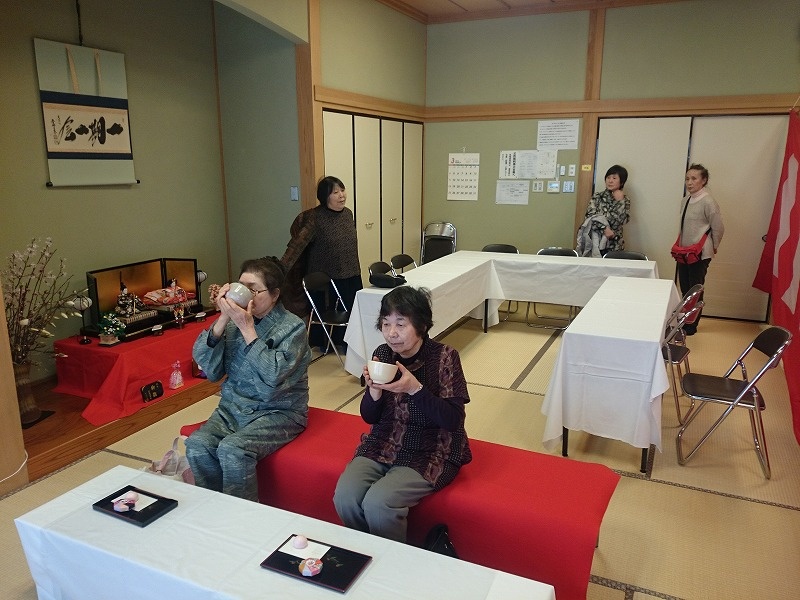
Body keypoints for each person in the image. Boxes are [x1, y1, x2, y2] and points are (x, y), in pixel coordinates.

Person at [333, 286, 472, 543]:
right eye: (386, 324)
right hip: (384, 441)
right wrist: (373, 390)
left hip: (431, 448)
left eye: (401, 324)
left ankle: (392, 560)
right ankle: (366, 551)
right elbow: (370, 418)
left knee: (378, 503)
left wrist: (415, 389)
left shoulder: (445, 357)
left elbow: (452, 420)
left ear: (421, 326)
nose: (391, 333)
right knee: (345, 497)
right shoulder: (382, 354)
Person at [185, 257, 312, 502]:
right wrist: (223, 318)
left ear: (274, 295)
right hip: (233, 407)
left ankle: (241, 518)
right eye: (240, 286)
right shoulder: (234, 321)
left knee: (233, 449)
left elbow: (273, 376)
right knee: (198, 444)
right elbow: (209, 368)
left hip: (278, 411)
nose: (245, 294)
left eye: (253, 289)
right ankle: (211, 509)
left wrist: (247, 328)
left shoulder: (293, 328)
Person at [280, 176, 362, 349]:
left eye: (342, 190)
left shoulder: (348, 214)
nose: (341, 195)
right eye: (335, 192)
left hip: (351, 272)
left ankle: (348, 342)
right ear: (325, 196)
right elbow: (296, 246)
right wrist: (278, 269)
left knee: (352, 310)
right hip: (327, 278)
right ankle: (327, 344)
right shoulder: (314, 218)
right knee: (331, 312)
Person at [675, 163, 724, 335]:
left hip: (700, 252)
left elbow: (718, 227)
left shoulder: (708, 201)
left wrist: (714, 245)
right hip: (684, 252)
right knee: (685, 287)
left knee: (695, 289)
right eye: (687, 179)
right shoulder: (686, 200)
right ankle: (684, 319)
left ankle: (691, 325)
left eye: (694, 179)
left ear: (704, 180)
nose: (689, 182)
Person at [578, 165, 631, 256]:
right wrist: (604, 229)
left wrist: (619, 202)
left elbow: (621, 221)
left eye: (614, 178)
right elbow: (590, 218)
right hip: (595, 242)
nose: (610, 181)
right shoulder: (597, 197)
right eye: (608, 177)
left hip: (615, 244)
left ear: (622, 182)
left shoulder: (625, 200)